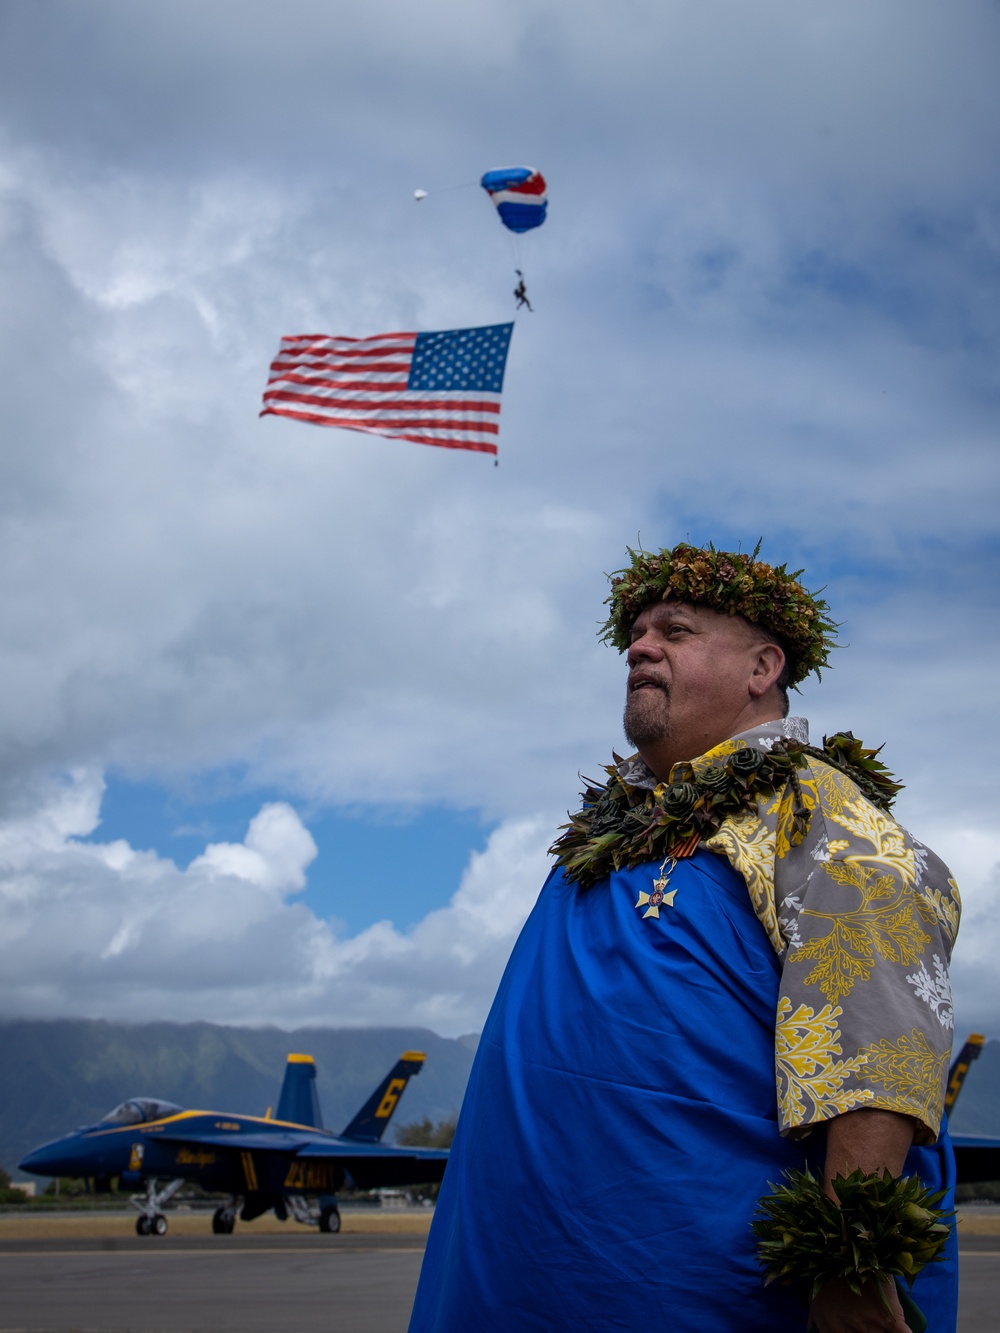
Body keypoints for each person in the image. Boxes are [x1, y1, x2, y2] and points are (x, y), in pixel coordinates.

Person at [408, 543, 962, 1333]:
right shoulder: (609, 833)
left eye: (676, 629)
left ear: (762, 667)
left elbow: (880, 1049)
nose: (640, 646)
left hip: (692, 1289)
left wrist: (849, 1266)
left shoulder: (824, 820)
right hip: (519, 1273)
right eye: (636, 633)